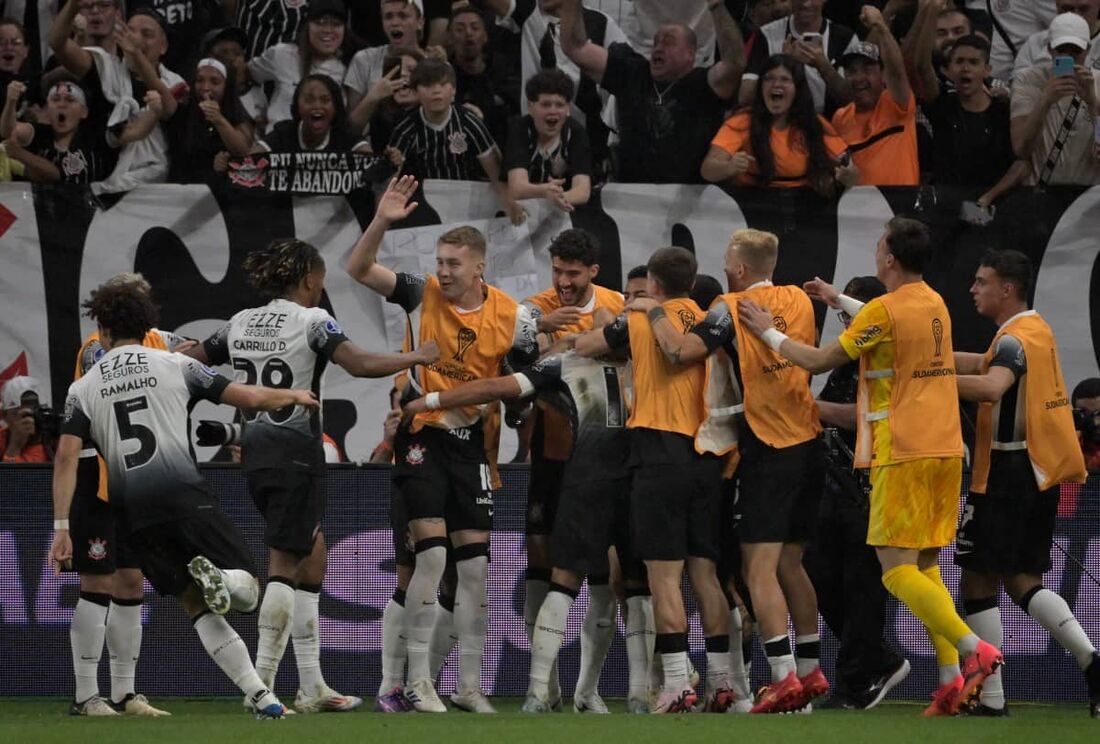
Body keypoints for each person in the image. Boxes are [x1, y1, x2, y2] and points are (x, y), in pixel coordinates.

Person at [735, 216, 1003, 716]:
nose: (876, 252)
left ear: (889, 259)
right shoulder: (933, 301)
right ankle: (948, 681)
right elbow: (887, 324)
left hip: (902, 448)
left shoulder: (885, 309)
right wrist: (840, 302)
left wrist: (768, 334)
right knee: (923, 563)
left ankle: (975, 651)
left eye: (879, 246)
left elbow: (818, 361)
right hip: (947, 449)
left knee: (894, 572)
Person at [188, 238, 437, 713]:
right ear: (308, 280)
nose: (322, 291)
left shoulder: (240, 321)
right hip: (297, 455)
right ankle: (259, 687)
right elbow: (359, 364)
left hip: (253, 455)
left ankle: (312, 684)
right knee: (284, 562)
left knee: (313, 553)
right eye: (321, 282)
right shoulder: (311, 321)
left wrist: (164, 350)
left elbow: (196, 356)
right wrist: (415, 357)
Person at [49, 281, 318, 720]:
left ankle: (261, 697)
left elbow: (64, 455)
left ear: (102, 326)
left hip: (132, 513)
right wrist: (291, 394)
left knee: (194, 604)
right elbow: (246, 396)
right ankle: (225, 582)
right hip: (184, 496)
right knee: (248, 590)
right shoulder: (175, 364)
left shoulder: (84, 386)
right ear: (147, 323)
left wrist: (61, 528)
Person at [345, 175, 538, 714]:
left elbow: (518, 386)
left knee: (474, 569)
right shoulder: (419, 292)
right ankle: (412, 684)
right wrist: (382, 219)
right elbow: (357, 270)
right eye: (440, 261)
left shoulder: (512, 316)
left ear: (480, 267)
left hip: (473, 446)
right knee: (430, 559)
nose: (443, 272)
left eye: (454, 263)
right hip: (421, 438)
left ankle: (468, 686)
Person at [626, 230, 827, 714]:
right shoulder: (799, 298)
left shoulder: (728, 305)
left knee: (758, 569)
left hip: (768, 447)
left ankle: (782, 680)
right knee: (791, 566)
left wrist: (649, 308)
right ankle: (810, 669)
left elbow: (681, 351)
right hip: (810, 440)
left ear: (737, 268)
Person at [402, 343, 631, 716]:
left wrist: (431, 399)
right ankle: (542, 691)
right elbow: (503, 391)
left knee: (626, 588)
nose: (565, 280)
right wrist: (434, 399)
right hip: (574, 477)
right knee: (563, 579)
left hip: (626, 478)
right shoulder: (561, 349)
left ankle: (615, 693)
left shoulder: (643, 348)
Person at [575, 247, 734, 714]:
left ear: (655, 284)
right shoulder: (708, 318)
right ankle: (722, 682)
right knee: (705, 575)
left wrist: (611, 317)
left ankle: (678, 684)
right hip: (705, 454)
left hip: (656, 454)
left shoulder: (640, 319)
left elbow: (589, 345)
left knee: (665, 578)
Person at [952, 249, 1098, 718]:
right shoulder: (1035, 333)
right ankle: (1091, 659)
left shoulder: (1014, 340)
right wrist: (925, 359)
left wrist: (929, 380)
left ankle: (990, 697)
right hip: (1038, 473)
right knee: (1022, 580)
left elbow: (993, 386)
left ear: (1007, 288)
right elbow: (986, 363)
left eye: (982, 281)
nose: (974, 289)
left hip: (1005, 473)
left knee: (977, 580)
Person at [65, 273, 193, 717]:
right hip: (97, 477)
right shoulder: (96, 350)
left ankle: (125, 692)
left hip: (136, 485)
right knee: (96, 580)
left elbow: (191, 348)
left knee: (132, 582)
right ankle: (85, 696)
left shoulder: (157, 341)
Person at [518, 228, 623, 712]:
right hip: (550, 452)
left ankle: (588, 689)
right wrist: (542, 331)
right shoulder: (532, 309)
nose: (562, 281)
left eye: (572, 273)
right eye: (557, 270)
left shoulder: (617, 307)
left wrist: (579, 337)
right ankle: (546, 687)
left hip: (604, 454)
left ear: (593, 273)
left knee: (602, 569)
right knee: (542, 565)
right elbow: (520, 379)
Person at [801, 275, 911, 711]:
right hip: (833, 483)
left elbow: (867, 416)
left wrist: (808, 407)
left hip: (874, 485)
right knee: (816, 574)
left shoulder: (892, 355)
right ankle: (879, 657)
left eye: (853, 311)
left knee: (864, 584)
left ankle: (855, 681)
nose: (848, 319)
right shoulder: (847, 356)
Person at [559, 0, 744, 184]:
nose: (658, 47)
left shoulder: (702, 85)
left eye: (668, 42)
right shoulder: (632, 74)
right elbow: (575, 46)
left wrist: (717, 7)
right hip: (634, 200)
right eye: (656, 42)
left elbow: (734, 63)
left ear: (690, 53)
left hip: (689, 202)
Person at [387, 58, 523, 224]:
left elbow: (495, 171)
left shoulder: (469, 122)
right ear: (415, 92)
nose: (436, 91)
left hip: (468, 198)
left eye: (443, 84)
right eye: (428, 85)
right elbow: (389, 178)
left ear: (454, 90)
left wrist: (510, 203)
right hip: (425, 204)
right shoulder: (405, 129)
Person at [701, 54, 851, 197]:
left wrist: (846, 176)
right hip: (755, 204)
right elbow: (708, 169)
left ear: (797, 89)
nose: (776, 84)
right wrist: (729, 167)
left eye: (785, 79)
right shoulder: (742, 121)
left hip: (804, 207)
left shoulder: (814, 123)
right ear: (760, 86)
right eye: (769, 79)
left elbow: (851, 171)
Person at [918, 33, 1028, 210]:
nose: (965, 68)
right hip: (946, 208)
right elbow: (921, 67)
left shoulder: (1003, 111)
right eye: (959, 61)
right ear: (949, 69)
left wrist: (988, 198)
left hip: (993, 208)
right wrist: (929, 9)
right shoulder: (943, 106)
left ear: (987, 70)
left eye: (973, 62)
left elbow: (1022, 163)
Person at [1, 79, 159, 184]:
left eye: (70, 100)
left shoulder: (97, 135)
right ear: (47, 109)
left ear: (84, 112)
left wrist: (155, 111)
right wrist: (11, 102)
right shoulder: (39, 133)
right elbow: (8, 131)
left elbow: (137, 131)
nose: (62, 105)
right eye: (55, 100)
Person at [830, 7, 919, 187]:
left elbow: (897, 71)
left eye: (867, 69)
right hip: (860, 209)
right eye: (852, 71)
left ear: (883, 75)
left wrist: (881, 26)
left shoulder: (896, 103)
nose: (859, 78)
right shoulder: (840, 118)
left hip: (900, 209)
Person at [1011, 12, 1100, 186]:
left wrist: (1092, 102)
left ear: (1088, 49)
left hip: (1087, 195)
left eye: (1076, 51)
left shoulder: (1098, 81)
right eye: (1062, 50)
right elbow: (1021, 149)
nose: (1069, 57)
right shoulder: (1028, 80)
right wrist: (1045, 101)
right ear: (1050, 49)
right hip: (1043, 191)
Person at [740, 0, 860, 115]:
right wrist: (782, 64)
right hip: (777, 125)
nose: (806, 4)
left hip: (829, 127)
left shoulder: (846, 39)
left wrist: (824, 67)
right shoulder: (767, 35)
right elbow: (745, 97)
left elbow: (853, 100)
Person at [248, 0, 349, 133]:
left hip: (323, 149)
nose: (328, 30)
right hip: (277, 146)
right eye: (320, 23)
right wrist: (255, 110)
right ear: (307, 26)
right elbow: (245, 75)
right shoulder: (282, 54)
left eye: (336, 24)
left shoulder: (349, 66)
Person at [504, 69, 592, 215]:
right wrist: (545, 191)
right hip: (522, 213)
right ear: (530, 107)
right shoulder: (519, 129)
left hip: (565, 212)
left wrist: (557, 197)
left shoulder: (576, 133)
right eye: (545, 104)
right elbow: (516, 188)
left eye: (559, 105)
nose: (553, 111)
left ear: (568, 109)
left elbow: (583, 191)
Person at [345, 0, 435, 135]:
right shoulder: (364, 59)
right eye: (388, 16)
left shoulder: (436, 64)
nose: (394, 23)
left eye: (403, 16)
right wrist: (374, 96)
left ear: (420, 22)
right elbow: (350, 129)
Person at [167, 57, 253, 184]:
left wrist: (218, 119)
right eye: (200, 80)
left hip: (220, 193)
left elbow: (244, 152)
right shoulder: (184, 109)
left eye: (215, 82)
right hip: (182, 188)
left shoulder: (236, 114)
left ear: (226, 87)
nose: (205, 87)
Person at [450, 4, 519, 148]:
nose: (468, 33)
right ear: (450, 38)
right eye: (460, 29)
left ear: (485, 36)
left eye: (475, 28)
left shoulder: (503, 69)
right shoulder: (445, 74)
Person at [252, 74, 370, 154]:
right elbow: (252, 160)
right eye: (309, 100)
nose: (317, 106)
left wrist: (386, 160)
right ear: (297, 106)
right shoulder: (283, 133)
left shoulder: (345, 135)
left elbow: (369, 160)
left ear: (335, 106)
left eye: (325, 100)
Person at [202, 25, 268, 131]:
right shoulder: (202, 96)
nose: (231, 58)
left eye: (237, 53)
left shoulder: (257, 94)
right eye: (223, 53)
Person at [1011, 0, 1100, 79]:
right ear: (1057, 7)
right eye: (1067, 9)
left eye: (1083, 9)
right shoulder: (1035, 44)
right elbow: (1017, 87)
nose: (1075, 15)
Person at [1, 376, 51, 463]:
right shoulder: (2, 438)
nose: (29, 419)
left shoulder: (53, 442)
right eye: (23, 414)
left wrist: (14, 449)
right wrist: (15, 444)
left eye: (35, 410)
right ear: (5, 415)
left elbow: (24, 476)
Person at [1073, 378, 1100, 472]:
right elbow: (1066, 486)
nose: (1092, 421)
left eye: (1099, 414)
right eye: (1085, 415)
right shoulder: (1068, 453)